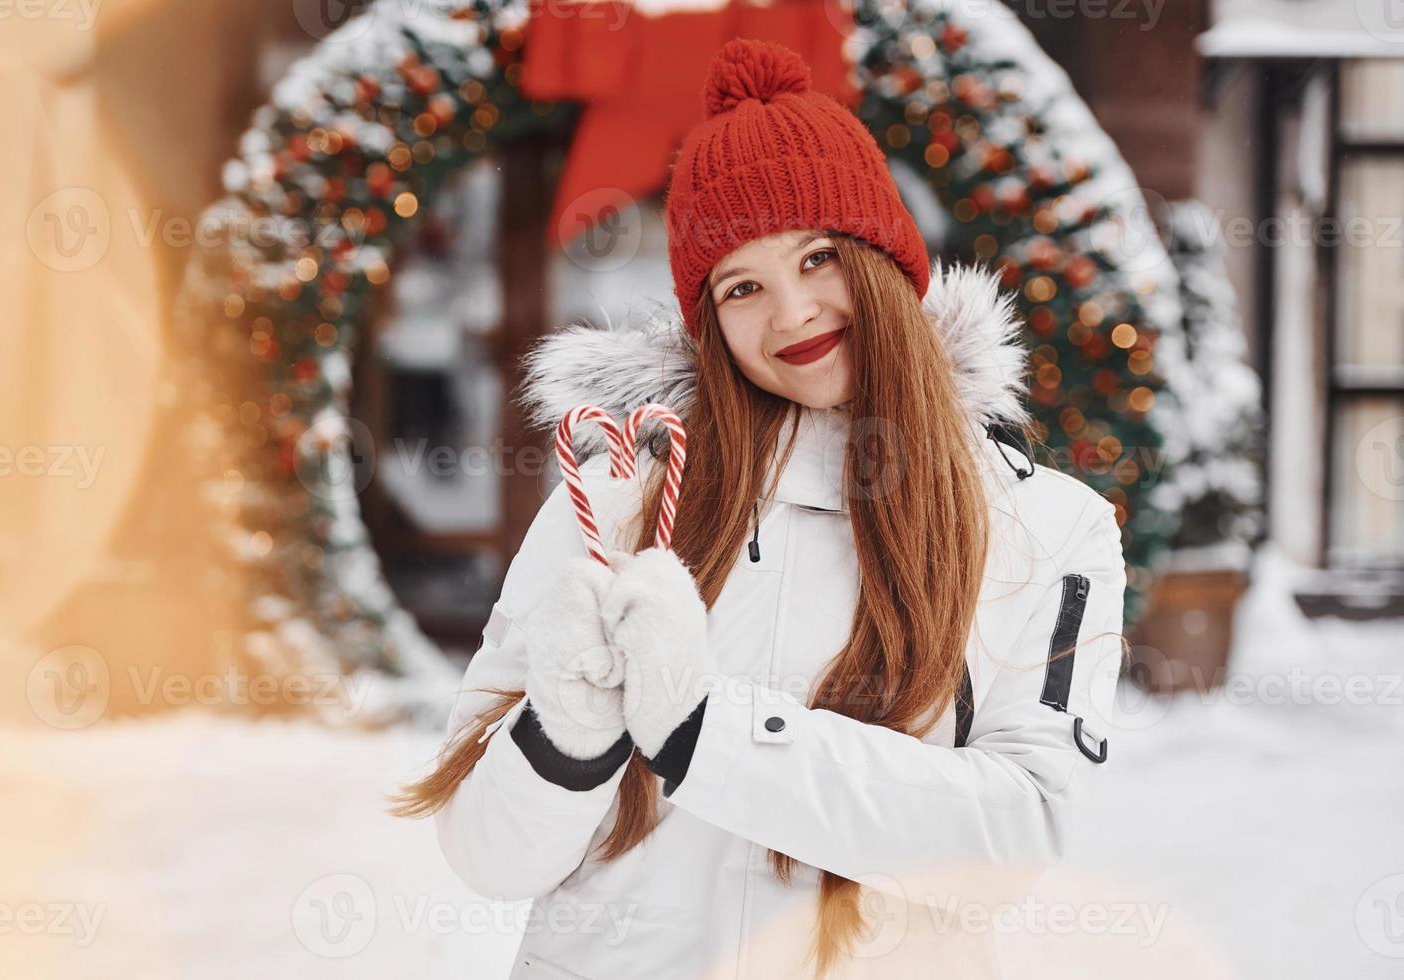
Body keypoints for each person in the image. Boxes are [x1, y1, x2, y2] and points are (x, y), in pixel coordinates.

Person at [394, 37, 1128, 980]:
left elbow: (1010, 839)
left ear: (887, 261)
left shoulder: (1046, 528)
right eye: (742, 287)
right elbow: (488, 858)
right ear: (709, 321)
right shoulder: (621, 500)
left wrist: (707, 729)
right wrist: (564, 733)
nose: (792, 315)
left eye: (818, 258)